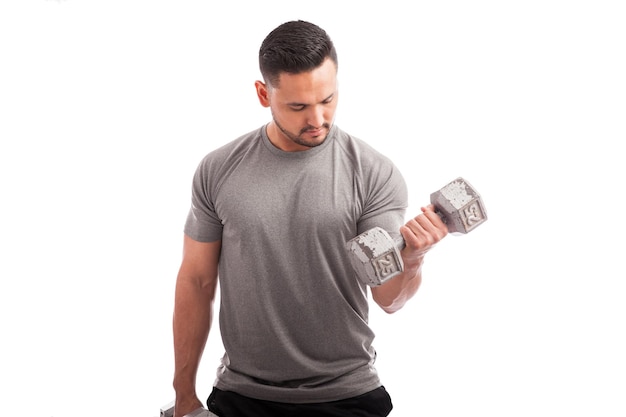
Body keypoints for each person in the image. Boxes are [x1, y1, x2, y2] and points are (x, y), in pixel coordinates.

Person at [171, 20, 448, 417]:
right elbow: (196, 281)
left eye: (328, 100)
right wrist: (183, 396)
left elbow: (388, 297)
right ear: (264, 94)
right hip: (241, 395)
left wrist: (415, 258)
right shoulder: (218, 169)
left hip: (347, 396)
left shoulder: (373, 173)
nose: (317, 119)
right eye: (298, 106)